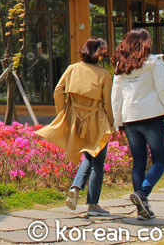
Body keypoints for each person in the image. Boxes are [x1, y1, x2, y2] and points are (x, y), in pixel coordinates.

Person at [112, 28, 164, 220]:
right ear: (145, 43)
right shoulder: (154, 62)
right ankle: (142, 193)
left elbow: (116, 97)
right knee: (160, 160)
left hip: (130, 118)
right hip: (152, 117)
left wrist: (118, 123)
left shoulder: (120, 66)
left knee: (138, 162)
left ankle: (142, 208)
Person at [36, 37, 115, 217]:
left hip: (75, 118)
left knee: (89, 154)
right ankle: (93, 204)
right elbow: (107, 103)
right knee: (98, 160)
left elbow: (58, 90)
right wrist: (111, 123)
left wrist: (63, 112)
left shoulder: (72, 68)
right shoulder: (104, 75)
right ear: (98, 53)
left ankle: (76, 187)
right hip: (96, 119)